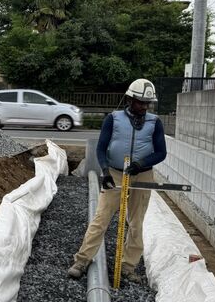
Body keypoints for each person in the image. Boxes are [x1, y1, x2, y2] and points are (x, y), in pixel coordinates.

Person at [67, 79, 167, 283]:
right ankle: (82, 260)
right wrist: (105, 172)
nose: (144, 107)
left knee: (136, 223)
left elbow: (161, 153)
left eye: (147, 103)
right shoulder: (113, 119)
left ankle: (128, 266)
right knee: (101, 218)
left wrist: (140, 164)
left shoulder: (154, 122)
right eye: (140, 102)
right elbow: (101, 148)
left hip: (142, 174)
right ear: (129, 99)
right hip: (115, 172)